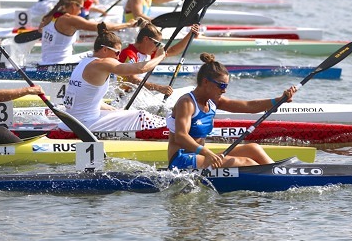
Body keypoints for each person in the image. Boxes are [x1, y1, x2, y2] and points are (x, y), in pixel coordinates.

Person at [167, 52, 297, 169]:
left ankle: (278, 173)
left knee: (254, 149)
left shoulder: (213, 101)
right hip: (181, 161)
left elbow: (248, 106)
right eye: (221, 85)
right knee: (247, 163)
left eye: (226, 86)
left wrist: (277, 100)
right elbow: (181, 137)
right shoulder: (187, 102)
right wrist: (207, 153)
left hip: (202, 157)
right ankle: (272, 178)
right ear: (206, 82)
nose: (224, 90)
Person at [53, 22, 167, 133]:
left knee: (121, 112)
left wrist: (112, 110)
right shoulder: (102, 63)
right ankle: (170, 130)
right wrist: (160, 57)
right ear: (104, 50)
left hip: (72, 120)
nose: (118, 57)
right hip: (85, 123)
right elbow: (141, 69)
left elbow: (87, 100)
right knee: (141, 116)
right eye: (117, 53)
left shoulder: (85, 62)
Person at [38, 0, 139, 65]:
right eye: (81, 7)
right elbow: (100, 26)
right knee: (105, 51)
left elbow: (40, 30)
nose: (81, 11)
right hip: (60, 64)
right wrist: (127, 25)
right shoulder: (68, 20)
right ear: (73, 5)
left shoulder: (49, 17)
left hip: (44, 62)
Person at [117, 21, 200, 96]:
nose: (158, 47)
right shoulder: (128, 54)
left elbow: (172, 50)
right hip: (124, 96)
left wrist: (190, 35)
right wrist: (159, 88)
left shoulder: (148, 52)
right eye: (156, 43)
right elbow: (133, 80)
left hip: (137, 94)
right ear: (146, 39)